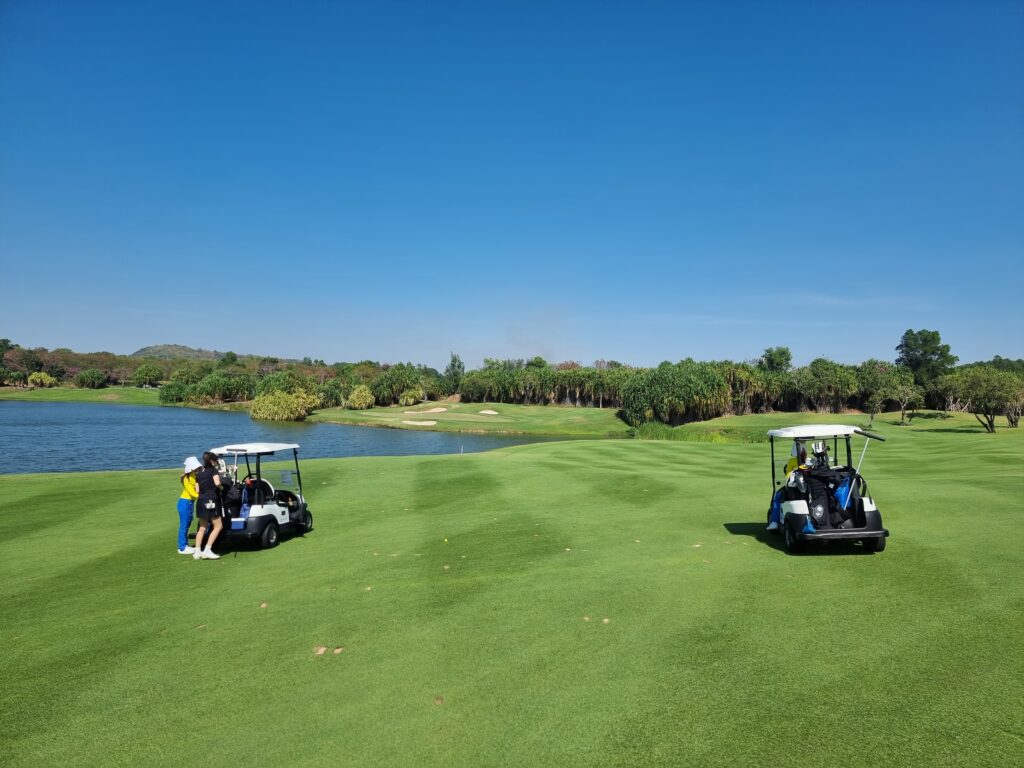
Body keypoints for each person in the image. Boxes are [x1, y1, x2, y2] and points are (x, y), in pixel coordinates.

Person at [193, 451, 224, 560]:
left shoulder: (199, 473)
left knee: (202, 527)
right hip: (210, 500)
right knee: (218, 526)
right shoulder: (213, 471)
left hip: (201, 501)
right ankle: (207, 550)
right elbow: (217, 483)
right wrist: (221, 488)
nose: (216, 463)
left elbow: (197, 490)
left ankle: (197, 552)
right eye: (215, 461)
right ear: (212, 461)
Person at [177, 456, 201, 554]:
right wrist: (201, 497)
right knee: (184, 525)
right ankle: (182, 547)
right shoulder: (187, 478)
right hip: (185, 502)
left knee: (188, 522)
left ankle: (185, 545)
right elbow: (192, 492)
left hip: (189, 503)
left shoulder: (194, 475)